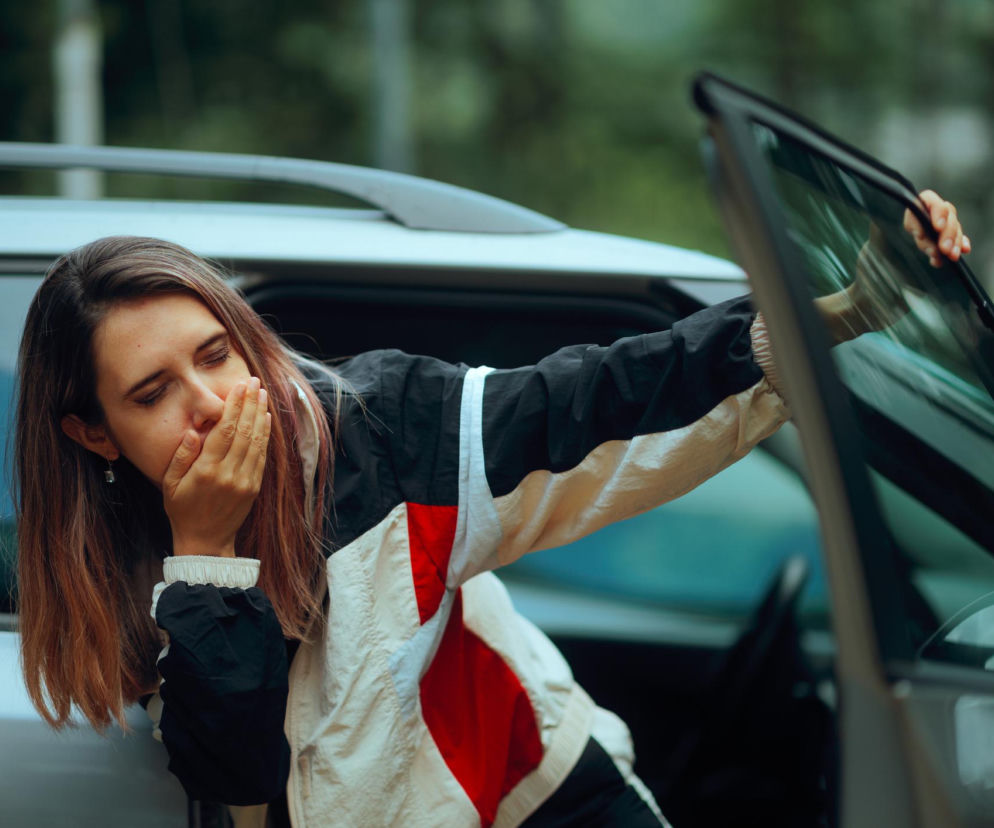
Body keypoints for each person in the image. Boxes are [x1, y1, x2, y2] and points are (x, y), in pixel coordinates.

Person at [13, 192, 968, 828]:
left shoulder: (378, 434)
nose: (211, 403)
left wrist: (843, 308)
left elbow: (600, 398)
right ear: (93, 435)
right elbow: (237, 775)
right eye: (151, 394)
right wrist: (209, 553)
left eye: (216, 355)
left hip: (538, 796)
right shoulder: (121, 573)